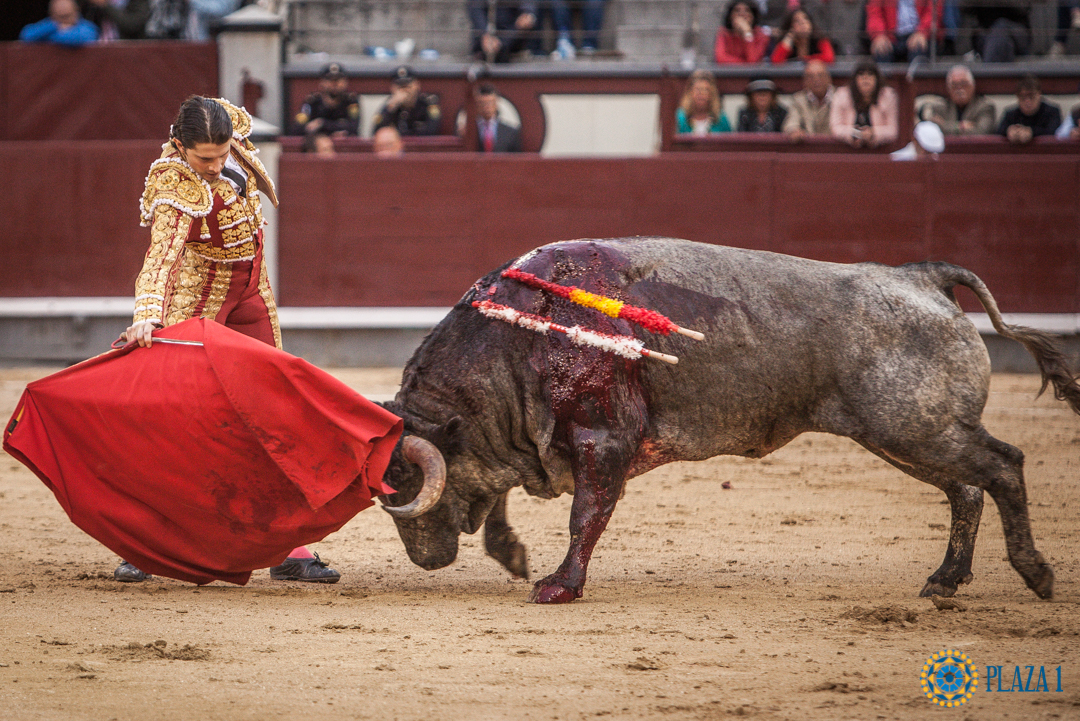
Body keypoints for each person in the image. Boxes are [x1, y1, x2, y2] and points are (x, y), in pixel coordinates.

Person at [118, 96, 341, 585]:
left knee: (273, 415)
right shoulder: (174, 182)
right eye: (205, 158)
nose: (216, 165)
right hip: (200, 299)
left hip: (252, 292)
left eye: (222, 154)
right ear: (181, 147)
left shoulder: (228, 126)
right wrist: (148, 316)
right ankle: (147, 544)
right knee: (180, 422)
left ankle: (287, 548)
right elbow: (161, 258)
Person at [830, 60, 898, 148]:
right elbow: (835, 127)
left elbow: (893, 130)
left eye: (870, 74)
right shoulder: (842, 95)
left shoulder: (888, 96)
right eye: (861, 74)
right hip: (847, 149)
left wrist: (873, 133)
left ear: (877, 78)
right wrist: (854, 133)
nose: (865, 78)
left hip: (880, 150)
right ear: (855, 79)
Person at [917, 65, 996, 136]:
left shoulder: (985, 107)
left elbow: (981, 132)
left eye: (963, 84)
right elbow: (935, 129)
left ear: (972, 86)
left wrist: (945, 125)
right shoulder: (941, 106)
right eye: (954, 85)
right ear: (948, 89)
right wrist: (959, 126)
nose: (959, 89)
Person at [293, 63, 360, 138]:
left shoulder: (350, 102)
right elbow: (297, 128)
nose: (335, 84)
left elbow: (353, 127)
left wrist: (322, 123)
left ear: (345, 82)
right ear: (322, 82)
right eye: (330, 80)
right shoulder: (312, 102)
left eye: (338, 80)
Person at [371, 66, 442, 136]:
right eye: (400, 87)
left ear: (417, 85)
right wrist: (391, 108)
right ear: (392, 88)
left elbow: (433, 131)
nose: (404, 90)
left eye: (408, 86)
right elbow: (376, 131)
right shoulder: (390, 105)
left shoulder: (426, 103)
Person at [865, 0, 942, 63]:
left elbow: (934, 11)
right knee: (881, 50)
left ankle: (917, 77)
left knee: (919, 50)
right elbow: (874, 12)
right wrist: (879, 35)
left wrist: (922, 32)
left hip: (920, 34)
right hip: (890, 36)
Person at [998, 74, 1062, 145]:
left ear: (1039, 95)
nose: (1027, 101)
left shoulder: (1052, 112)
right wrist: (1009, 131)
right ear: (1017, 97)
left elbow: (1054, 132)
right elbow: (998, 132)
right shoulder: (1010, 114)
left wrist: (1031, 132)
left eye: (1031, 96)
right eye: (1023, 97)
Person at [958, 0, 1031, 62]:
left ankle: (989, 73)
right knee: (998, 37)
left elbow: (1023, 6)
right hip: (985, 35)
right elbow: (964, 6)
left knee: (1000, 29)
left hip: (1015, 34)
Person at [467, 0, 538, 63]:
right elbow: (476, 9)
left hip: (511, 35)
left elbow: (527, 5)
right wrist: (485, 34)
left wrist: (527, 13)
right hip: (485, 37)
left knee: (526, 22)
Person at [783, 59, 834, 140]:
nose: (816, 80)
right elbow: (791, 122)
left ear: (829, 78)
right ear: (805, 81)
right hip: (808, 146)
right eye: (810, 76)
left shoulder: (840, 97)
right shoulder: (798, 99)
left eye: (820, 75)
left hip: (835, 146)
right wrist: (794, 130)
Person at [770, 6, 835, 63]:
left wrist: (805, 60)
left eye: (806, 18)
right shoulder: (787, 43)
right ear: (790, 26)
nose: (803, 22)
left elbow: (829, 58)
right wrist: (789, 37)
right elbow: (776, 60)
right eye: (797, 21)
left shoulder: (820, 39)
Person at [676, 70, 732, 135]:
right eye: (697, 89)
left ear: (712, 94)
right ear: (690, 92)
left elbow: (731, 139)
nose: (701, 94)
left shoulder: (721, 118)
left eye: (705, 90)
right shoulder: (680, 118)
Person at [19, 0, 99, 45]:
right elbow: (26, 35)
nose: (64, 20)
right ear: (52, 14)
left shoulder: (87, 27)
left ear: (76, 11)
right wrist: (55, 26)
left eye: (67, 15)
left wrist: (45, 38)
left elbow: (79, 38)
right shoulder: (50, 25)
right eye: (60, 16)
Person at [474, 84, 522, 152]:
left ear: (496, 103)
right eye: (482, 103)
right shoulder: (469, 131)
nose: (486, 107)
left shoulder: (511, 132)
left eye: (490, 102)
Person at [80, 0, 150, 40]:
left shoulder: (137, 2)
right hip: (97, 48)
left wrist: (105, 5)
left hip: (127, 49)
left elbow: (132, 25)